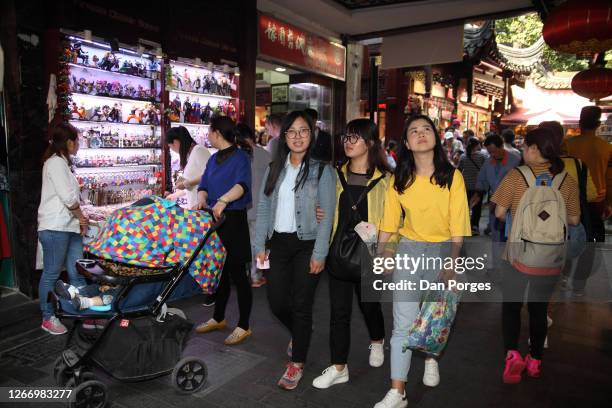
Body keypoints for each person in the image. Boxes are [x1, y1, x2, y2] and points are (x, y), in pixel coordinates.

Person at [374, 115, 471, 408]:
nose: (420, 134)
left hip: (443, 251)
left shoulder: (453, 177)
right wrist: (383, 254)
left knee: (434, 315)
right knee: (402, 323)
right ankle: (397, 391)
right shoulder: (398, 179)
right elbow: (389, 222)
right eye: (413, 131)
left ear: (436, 138)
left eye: (426, 129)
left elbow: (458, 227)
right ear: (406, 142)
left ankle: (431, 357)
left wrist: (452, 263)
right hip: (408, 250)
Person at [254, 110, 336, 390]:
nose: (298, 136)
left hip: (307, 244)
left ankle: (296, 363)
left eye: (304, 130)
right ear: (283, 136)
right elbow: (264, 207)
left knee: (302, 304)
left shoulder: (323, 170)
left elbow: (329, 216)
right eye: (292, 131)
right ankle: (301, 332)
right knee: (277, 302)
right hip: (278, 242)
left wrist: (320, 253)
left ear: (311, 135)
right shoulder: (273, 168)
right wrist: (260, 245)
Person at [491, 127, 580, 383]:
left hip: (517, 254)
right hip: (550, 258)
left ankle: (512, 356)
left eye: (525, 146)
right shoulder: (566, 180)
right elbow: (574, 219)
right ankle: (535, 360)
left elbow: (498, 214)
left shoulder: (516, 176)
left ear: (533, 149)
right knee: (539, 309)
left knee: (512, 307)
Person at [312, 118, 391, 390]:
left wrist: (386, 253)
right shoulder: (335, 175)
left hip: (370, 255)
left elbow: (394, 222)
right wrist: (319, 211)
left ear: (369, 143)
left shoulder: (386, 180)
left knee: (370, 306)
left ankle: (378, 339)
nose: (348, 142)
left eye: (354, 137)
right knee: (339, 313)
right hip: (339, 253)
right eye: (345, 137)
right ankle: (338, 367)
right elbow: (324, 208)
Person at [194, 116, 254, 346]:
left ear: (217, 132)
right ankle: (218, 317)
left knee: (239, 275)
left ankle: (244, 325)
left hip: (233, 219)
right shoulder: (213, 158)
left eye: (209, 131)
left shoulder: (240, 157)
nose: (207, 135)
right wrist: (201, 199)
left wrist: (223, 201)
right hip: (214, 220)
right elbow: (204, 185)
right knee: (217, 272)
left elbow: (242, 186)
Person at [37, 123, 88, 335]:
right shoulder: (56, 163)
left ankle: (86, 313)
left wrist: (79, 219)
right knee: (51, 274)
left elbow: (69, 196)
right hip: (56, 227)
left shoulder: (62, 164)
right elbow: (68, 199)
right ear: (68, 142)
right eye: (76, 140)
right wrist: (82, 218)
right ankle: (48, 317)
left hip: (69, 226)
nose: (78, 144)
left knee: (77, 272)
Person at [565, 106, 611, 244]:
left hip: (570, 200)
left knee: (570, 240)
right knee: (594, 240)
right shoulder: (607, 148)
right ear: (598, 125)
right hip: (596, 200)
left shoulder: (566, 145)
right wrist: (609, 203)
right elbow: (609, 179)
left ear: (580, 123)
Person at [235, 123, 272, 288]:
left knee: (245, 242)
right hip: (261, 207)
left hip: (241, 206)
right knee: (260, 242)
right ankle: (257, 275)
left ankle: (246, 274)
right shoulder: (265, 154)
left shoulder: (236, 156)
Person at [471, 133, 521, 243]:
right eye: (490, 152)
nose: (492, 154)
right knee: (496, 236)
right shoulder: (488, 162)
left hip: (512, 205)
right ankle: (497, 259)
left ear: (502, 146)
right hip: (494, 204)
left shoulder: (515, 161)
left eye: (494, 151)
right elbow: (482, 179)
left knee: (510, 236)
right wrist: (478, 193)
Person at [165, 126, 210, 209]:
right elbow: (191, 186)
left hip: (202, 204)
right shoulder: (190, 155)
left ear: (175, 142)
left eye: (170, 147)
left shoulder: (199, 150)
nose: (172, 150)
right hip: (194, 205)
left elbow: (208, 175)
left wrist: (185, 183)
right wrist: (175, 195)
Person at [458, 137, 487, 235]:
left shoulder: (463, 157)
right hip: (478, 187)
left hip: (466, 186)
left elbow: (458, 170)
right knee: (477, 207)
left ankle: (464, 226)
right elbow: (485, 170)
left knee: (466, 206)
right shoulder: (482, 156)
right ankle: (474, 227)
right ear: (477, 145)